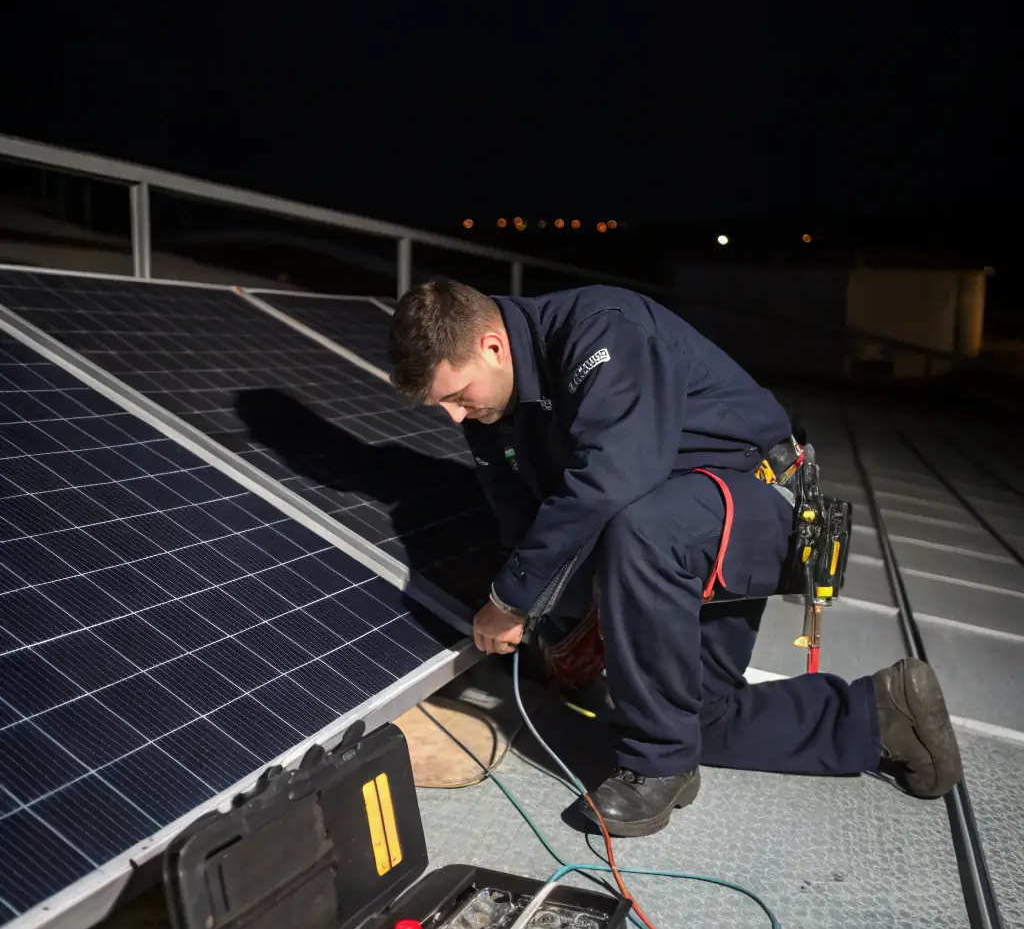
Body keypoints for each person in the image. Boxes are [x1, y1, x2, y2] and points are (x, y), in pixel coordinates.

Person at [388, 279, 963, 836]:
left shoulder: (597, 331)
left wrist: (510, 600)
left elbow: (615, 475)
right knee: (694, 716)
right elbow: (524, 525)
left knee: (639, 522)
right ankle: (880, 715)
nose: (455, 417)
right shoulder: (494, 410)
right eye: (442, 405)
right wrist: (545, 628)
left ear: (492, 346)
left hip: (756, 501)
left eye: (458, 395)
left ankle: (657, 763)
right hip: (685, 526)